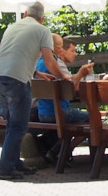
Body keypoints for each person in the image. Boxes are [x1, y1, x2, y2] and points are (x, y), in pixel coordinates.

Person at [0, 1, 69, 180]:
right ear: (42, 19)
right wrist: (63, 77)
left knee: (12, 123)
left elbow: (12, 55)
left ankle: (15, 162)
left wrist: (37, 73)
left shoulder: (11, 27)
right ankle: (6, 169)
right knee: (18, 125)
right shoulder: (42, 31)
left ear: (25, 14)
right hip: (17, 80)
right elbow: (50, 60)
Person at [34, 33, 94, 165]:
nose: (61, 50)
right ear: (51, 47)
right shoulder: (53, 63)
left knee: (83, 118)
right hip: (56, 112)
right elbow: (70, 88)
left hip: (42, 112)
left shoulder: (38, 62)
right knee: (93, 119)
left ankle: (59, 150)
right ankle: (60, 151)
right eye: (59, 47)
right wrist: (80, 74)